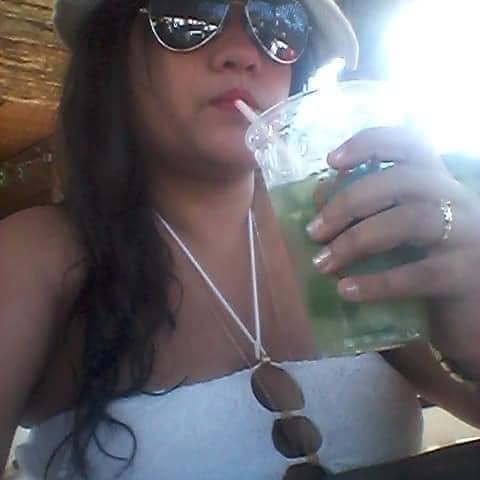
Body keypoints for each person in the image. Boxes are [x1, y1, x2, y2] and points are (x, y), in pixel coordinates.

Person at [1, 0, 479, 478]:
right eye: (190, 13)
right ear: (113, 52)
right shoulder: (38, 256)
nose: (243, 53)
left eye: (277, 21)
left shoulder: (348, 231)